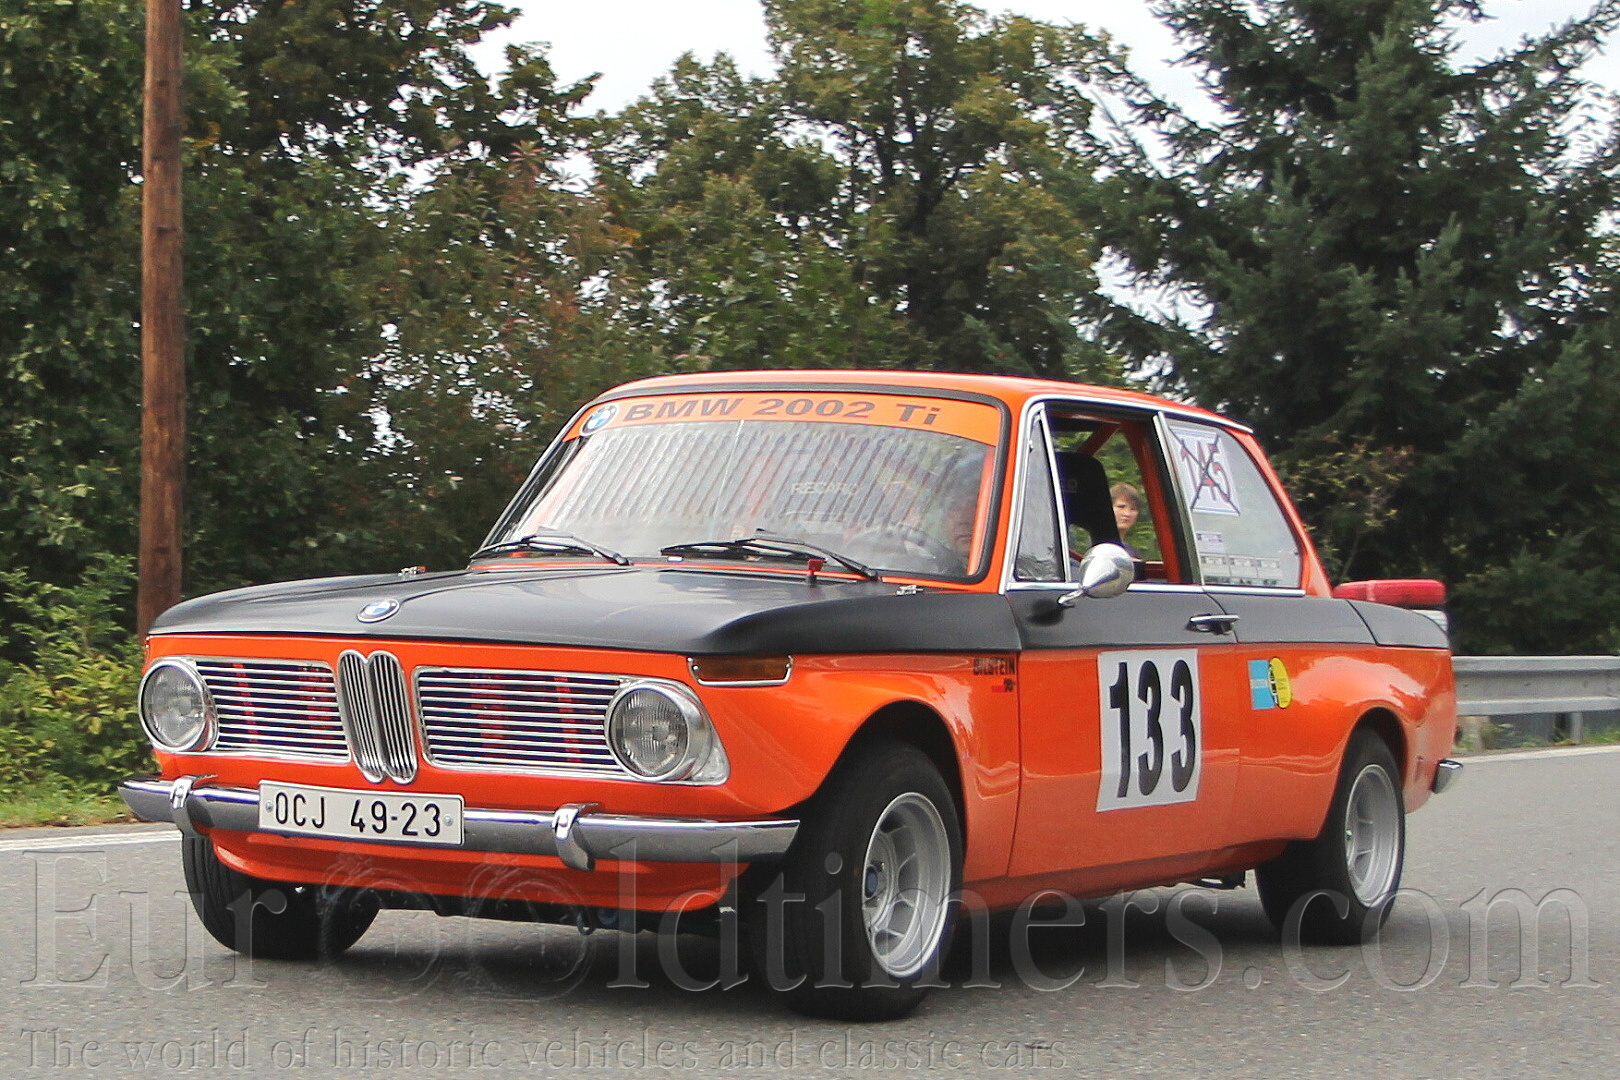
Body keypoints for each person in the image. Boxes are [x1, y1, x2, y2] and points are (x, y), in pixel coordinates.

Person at [1111, 482, 1144, 558]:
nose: (1127, 514)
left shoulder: (1132, 552)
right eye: (1121, 507)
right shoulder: (1097, 548)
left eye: (1133, 509)